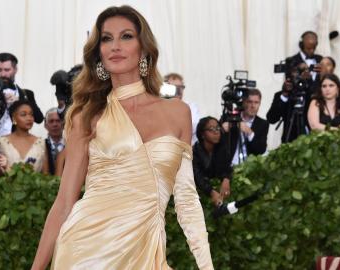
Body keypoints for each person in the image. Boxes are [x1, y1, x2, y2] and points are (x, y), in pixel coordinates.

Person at [32, 5, 213, 270]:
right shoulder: (86, 115)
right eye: (107, 38)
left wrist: (206, 265)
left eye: (126, 36)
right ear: (99, 53)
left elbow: (186, 199)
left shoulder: (178, 112)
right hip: (86, 251)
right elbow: (64, 202)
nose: (115, 45)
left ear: (143, 47)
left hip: (147, 252)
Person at [0, 52, 43, 138]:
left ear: (15, 69)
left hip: (17, 144)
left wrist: (20, 102)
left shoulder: (26, 94)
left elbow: (39, 118)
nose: (3, 74)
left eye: (7, 70)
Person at [267, 61, 314, 143]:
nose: (298, 79)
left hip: (310, 140)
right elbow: (271, 118)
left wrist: (309, 83)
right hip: (289, 141)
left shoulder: (311, 93)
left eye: (299, 75)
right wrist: (284, 95)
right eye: (294, 75)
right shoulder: (281, 95)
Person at [0, 100, 48, 173]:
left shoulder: (40, 143)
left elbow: (46, 175)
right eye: (23, 114)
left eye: (31, 114)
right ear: (14, 118)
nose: (29, 118)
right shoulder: (1, 142)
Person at [193, 116, 232, 206]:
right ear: (202, 134)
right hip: (199, 195)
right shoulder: (194, 152)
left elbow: (227, 167)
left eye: (218, 128)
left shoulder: (222, 148)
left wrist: (226, 179)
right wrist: (211, 192)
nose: (216, 131)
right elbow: (198, 176)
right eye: (211, 129)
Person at [224, 89, 269, 165]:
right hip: (230, 164)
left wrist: (250, 132)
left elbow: (261, 149)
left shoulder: (263, 124)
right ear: (244, 103)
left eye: (256, 102)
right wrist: (222, 129)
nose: (253, 106)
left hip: (249, 167)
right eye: (250, 102)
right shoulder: (230, 118)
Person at [164, 72, 201, 144]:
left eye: (181, 87)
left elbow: (193, 127)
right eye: (174, 87)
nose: (179, 91)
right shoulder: (159, 107)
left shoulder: (191, 106)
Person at [44, 108, 65, 175]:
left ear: (64, 124)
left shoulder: (71, 145)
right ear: (45, 125)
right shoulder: (41, 145)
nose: (55, 124)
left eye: (58, 121)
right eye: (51, 121)